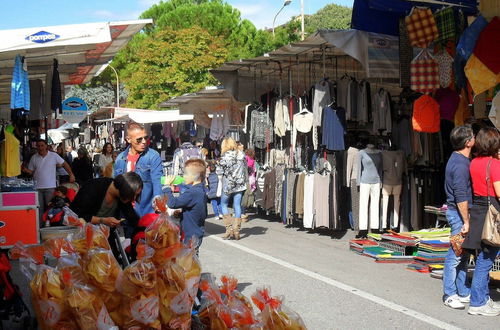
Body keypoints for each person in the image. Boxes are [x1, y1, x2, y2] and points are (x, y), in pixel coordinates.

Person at [463, 127, 500, 316]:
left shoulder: (474, 162)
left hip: (478, 211)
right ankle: (478, 303)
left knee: (482, 258)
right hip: (492, 214)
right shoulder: (494, 164)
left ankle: (484, 298)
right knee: (486, 260)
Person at [70, 172, 143, 261]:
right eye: (133, 195)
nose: (134, 198)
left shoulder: (123, 196)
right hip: (83, 240)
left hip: (106, 238)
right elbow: (76, 215)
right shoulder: (93, 187)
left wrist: (147, 230)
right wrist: (103, 220)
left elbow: (132, 217)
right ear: (125, 190)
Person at [442, 125, 474, 309]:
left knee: (462, 254)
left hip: (458, 213)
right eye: (473, 136)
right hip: (458, 214)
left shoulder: (457, 158)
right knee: (455, 254)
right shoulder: (461, 164)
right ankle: (450, 293)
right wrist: (466, 221)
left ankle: (461, 290)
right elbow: (460, 194)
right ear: (468, 142)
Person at [114, 123, 162, 218]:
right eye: (139, 139)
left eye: (145, 137)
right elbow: (115, 185)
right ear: (128, 139)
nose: (144, 142)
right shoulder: (120, 158)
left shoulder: (153, 156)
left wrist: (158, 199)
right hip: (125, 212)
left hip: (146, 212)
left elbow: (157, 180)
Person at [22, 139, 75, 225]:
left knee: (51, 208)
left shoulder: (54, 156)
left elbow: (65, 163)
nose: (40, 148)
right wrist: (25, 170)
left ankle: (50, 226)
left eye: (42, 145)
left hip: (50, 187)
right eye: (38, 146)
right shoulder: (34, 157)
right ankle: (40, 228)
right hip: (37, 188)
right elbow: (31, 172)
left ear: (46, 146)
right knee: (39, 209)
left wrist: (71, 174)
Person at [163, 158, 208, 251]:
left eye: (186, 174)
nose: (183, 176)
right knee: (191, 259)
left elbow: (172, 203)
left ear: (196, 176)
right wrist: (182, 214)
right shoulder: (200, 190)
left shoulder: (192, 192)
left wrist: (167, 187)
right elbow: (201, 212)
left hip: (190, 234)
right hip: (196, 232)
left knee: (187, 260)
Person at [216, 137, 247, 240]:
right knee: (237, 205)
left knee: (224, 204)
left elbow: (219, 172)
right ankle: (236, 230)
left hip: (228, 185)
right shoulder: (241, 155)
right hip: (240, 184)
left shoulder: (224, 157)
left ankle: (229, 229)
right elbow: (245, 169)